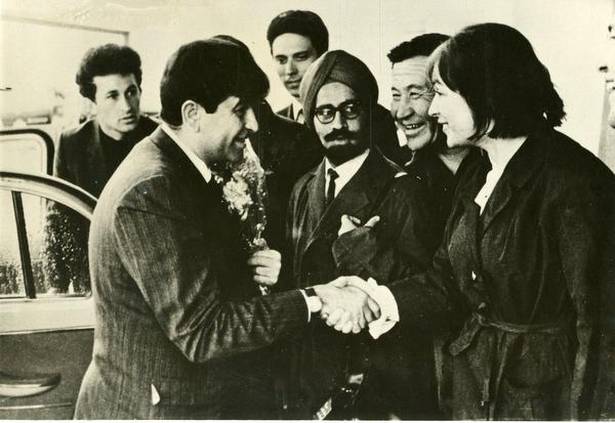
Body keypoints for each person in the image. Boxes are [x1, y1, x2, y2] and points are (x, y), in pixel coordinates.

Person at [73, 37, 376, 420]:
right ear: (193, 113)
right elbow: (203, 333)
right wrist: (316, 299)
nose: (252, 124)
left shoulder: (174, 169)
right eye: (240, 110)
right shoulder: (152, 189)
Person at [331, 23, 615, 420]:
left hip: (545, 403)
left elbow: (602, 327)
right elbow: (447, 281)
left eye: (442, 94)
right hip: (475, 394)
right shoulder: (478, 172)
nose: (432, 109)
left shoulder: (574, 183)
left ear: (484, 93)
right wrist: (373, 299)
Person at [282, 49, 441, 419]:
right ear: (310, 117)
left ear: (369, 113)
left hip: (375, 388)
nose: (338, 123)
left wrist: (369, 255)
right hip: (310, 380)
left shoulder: (403, 189)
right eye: (325, 112)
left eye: (350, 110)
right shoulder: (303, 188)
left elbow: (429, 297)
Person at [43, 44, 157, 293]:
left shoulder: (160, 137)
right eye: (112, 96)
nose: (126, 106)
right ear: (93, 102)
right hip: (96, 279)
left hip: (155, 277)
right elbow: (58, 220)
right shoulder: (71, 144)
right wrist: (58, 287)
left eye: (131, 92)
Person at [267, 10, 400, 163]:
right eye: (281, 60)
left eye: (301, 57)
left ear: (324, 57)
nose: (290, 70)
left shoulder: (375, 117)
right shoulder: (275, 123)